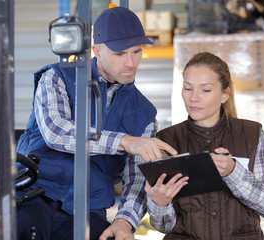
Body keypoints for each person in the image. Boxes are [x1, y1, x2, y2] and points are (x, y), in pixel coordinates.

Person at [16, 6, 177, 240]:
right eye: (120, 54)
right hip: (36, 192)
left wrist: (124, 222)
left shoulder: (145, 114)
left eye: (136, 52)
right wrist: (125, 141)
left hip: (89, 207)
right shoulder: (56, 78)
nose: (131, 63)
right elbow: (56, 132)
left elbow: (137, 179)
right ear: (97, 51)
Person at [145, 52, 264, 239]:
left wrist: (234, 172)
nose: (193, 98)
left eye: (205, 90)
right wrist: (159, 203)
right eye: (188, 88)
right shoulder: (166, 141)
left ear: (225, 94)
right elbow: (164, 226)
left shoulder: (252, 134)